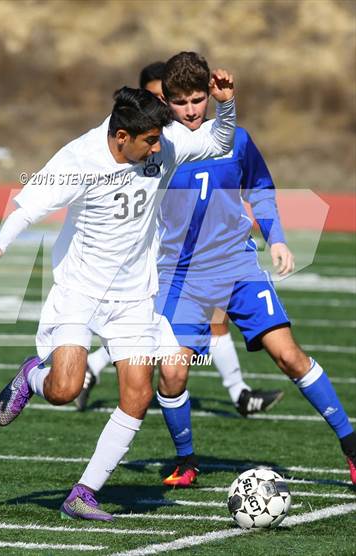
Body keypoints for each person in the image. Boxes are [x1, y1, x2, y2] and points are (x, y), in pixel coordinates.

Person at [0, 70, 236, 521]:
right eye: (149, 141)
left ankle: (83, 493)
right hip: (79, 291)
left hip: (135, 297)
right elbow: (27, 205)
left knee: (137, 394)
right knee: (64, 389)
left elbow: (219, 142)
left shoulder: (162, 145)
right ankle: (32, 377)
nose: (158, 149)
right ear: (120, 137)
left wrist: (226, 104)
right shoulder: (78, 159)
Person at [155, 51, 356, 487]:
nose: (190, 111)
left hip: (237, 265)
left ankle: (351, 445)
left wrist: (276, 236)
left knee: (289, 356)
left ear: (208, 96)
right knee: (171, 372)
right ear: (166, 100)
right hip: (179, 275)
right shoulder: (159, 146)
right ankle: (186, 461)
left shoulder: (237, 140)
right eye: (180, 102)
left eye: (196, 100)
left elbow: (261, 189)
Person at [76, 61, 284, 418]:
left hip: (191, 254)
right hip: (157, 254)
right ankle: (236, 394)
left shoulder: (185, 141)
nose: (176, 111)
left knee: (203, 322)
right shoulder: (148, 147)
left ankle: (238, 392)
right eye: (161, 99)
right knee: (152, 333)